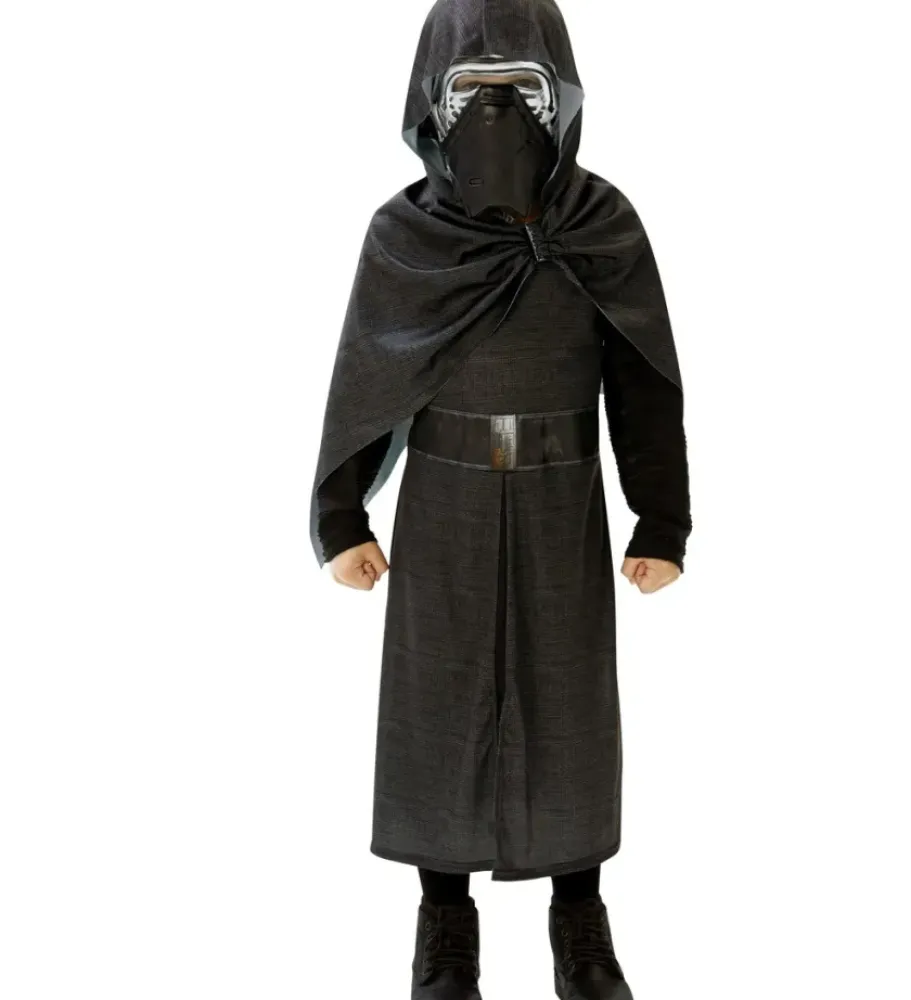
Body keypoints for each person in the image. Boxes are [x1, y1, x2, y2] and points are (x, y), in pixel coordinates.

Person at [309, 2, 691, 996]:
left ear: (558, 95)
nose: (495, 113)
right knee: (440, 702)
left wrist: (661, 515)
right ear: (430, 103)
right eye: (470, 90)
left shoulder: (600, 224)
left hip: (566, 493)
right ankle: (444, 921)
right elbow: (367, 375)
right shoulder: (406, 234)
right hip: (444, 493)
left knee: (568, 701)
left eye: (517, 89)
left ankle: (580, 919)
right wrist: (342, 516)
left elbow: (644, 377)